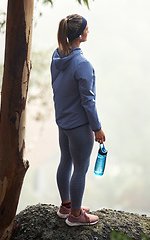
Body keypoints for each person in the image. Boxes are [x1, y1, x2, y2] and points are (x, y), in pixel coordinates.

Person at [50, 14, 106, 227]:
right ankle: (75, 215)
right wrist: (97, 128)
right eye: (86, 28)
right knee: (80, 168)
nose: (88, 31)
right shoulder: (82, 64)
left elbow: (57, 89)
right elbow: (88, 102)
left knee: (65, 160)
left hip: (63, 121)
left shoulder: (57, 56)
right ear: (79, 34)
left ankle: (66, 205)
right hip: (79, 125)